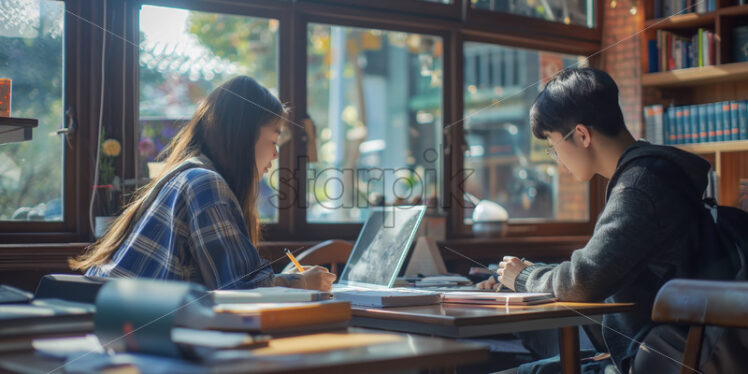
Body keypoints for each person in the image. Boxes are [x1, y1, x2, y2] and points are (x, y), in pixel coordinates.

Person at [477, 67, 711, 373]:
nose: (557, 160)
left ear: (582, 135)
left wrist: (522, 277)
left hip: (647, 357)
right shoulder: (653, 174)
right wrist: (523, 278)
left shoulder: (640, 185)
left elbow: (584, 281)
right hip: (646, 346)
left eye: (553, 146)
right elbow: (594, 270)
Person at [70, 76, 336, 291]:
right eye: (274, 140)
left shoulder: (190, 174)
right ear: (243, 136)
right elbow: (239, 289)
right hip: (124, 329)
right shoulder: (205, 183)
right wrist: (300, 282)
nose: (276, 154)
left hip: (112, 316)